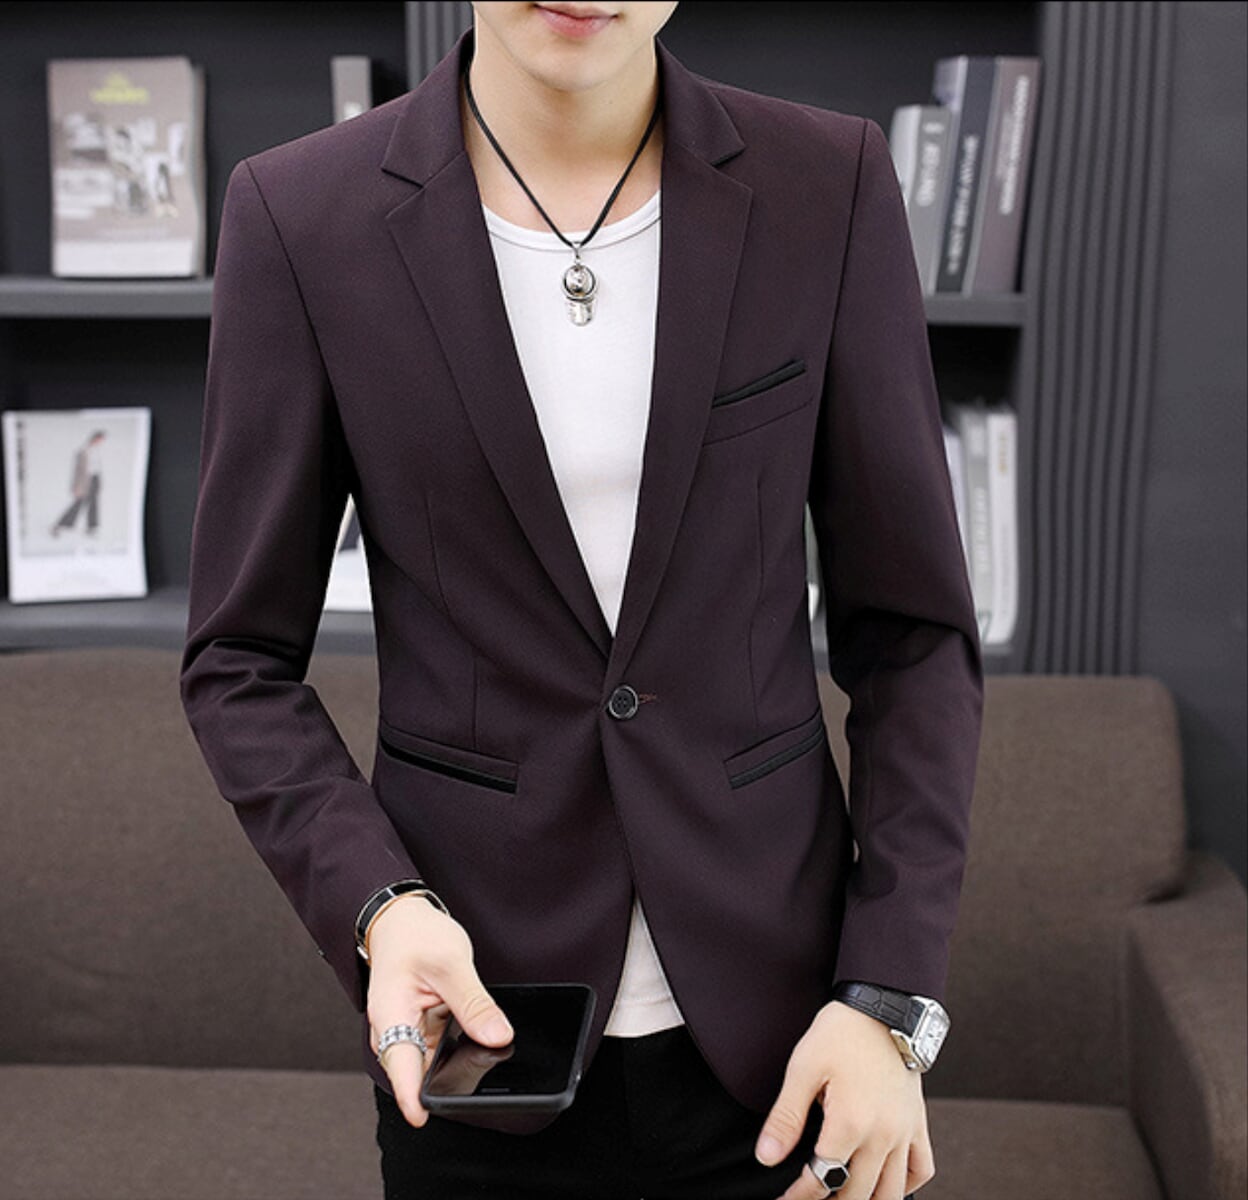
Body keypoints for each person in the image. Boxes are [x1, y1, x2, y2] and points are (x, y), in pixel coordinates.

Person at [179, 3, 983, 1198]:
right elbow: (237, 661)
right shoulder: (299, 215)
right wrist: (379, 906)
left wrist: (889, 1001)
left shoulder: (831, 184)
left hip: (797, 1042)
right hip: (479, 1034)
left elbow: (914, 637)